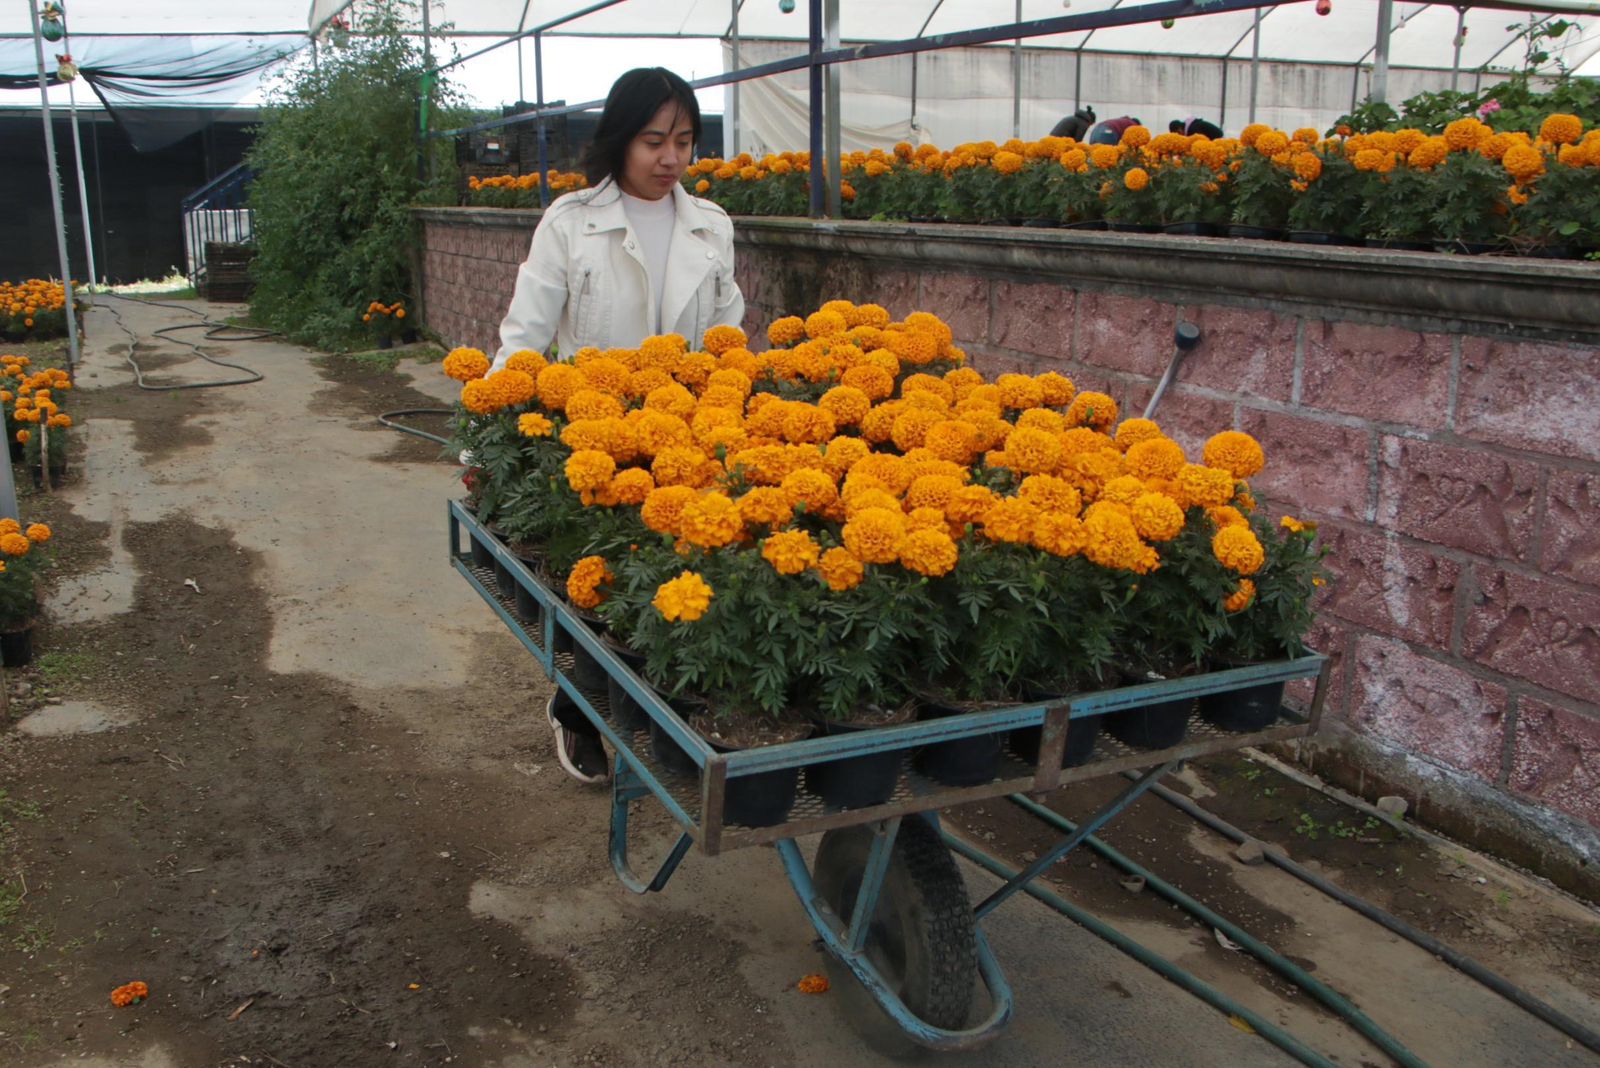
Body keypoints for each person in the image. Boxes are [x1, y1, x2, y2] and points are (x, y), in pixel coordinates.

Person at [492, 67, 746, 784]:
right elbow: (525, 336)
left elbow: (729, 335)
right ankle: (577, 711)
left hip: (687, 444)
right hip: (592, 442)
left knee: (679, 587)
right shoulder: (572, 223)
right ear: (620, 141)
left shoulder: (711, 227)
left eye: (685, 141)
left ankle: (656, 719)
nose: (670, 158)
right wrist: (494, 429)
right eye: (653, 140)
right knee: (603, 590)